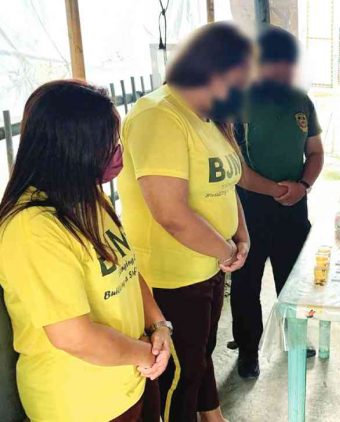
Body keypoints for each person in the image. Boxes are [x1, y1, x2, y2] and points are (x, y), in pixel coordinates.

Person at [0, 80, 169, 421]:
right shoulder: (33, 226)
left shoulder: (87, 196)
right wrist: (145, 353)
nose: (118, 150)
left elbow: (127, 269)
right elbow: (74, 337)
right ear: (73, 149)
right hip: (82, 404)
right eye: (108, 143)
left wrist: (160, 326)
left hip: (131, 379)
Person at [118, 22, 253, 422]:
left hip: (208, 267)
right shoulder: (159, 115)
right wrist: (228, 249)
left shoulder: (207, 116)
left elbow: (227, 184)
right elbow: (171, 214)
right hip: (171, 277)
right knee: (179, 373)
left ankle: (212, 414)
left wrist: (241, 237)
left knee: (198, 355)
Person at [229, 25, 324, 379]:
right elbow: (234, 166)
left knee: (294, 279)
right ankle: (248, 350)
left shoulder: (302, 101)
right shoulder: (238, 102)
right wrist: (275, 190)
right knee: (246, 283)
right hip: (249, 208)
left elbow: (315, 151)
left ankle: (295, 337)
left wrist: (303, 185)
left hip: (294, 207)